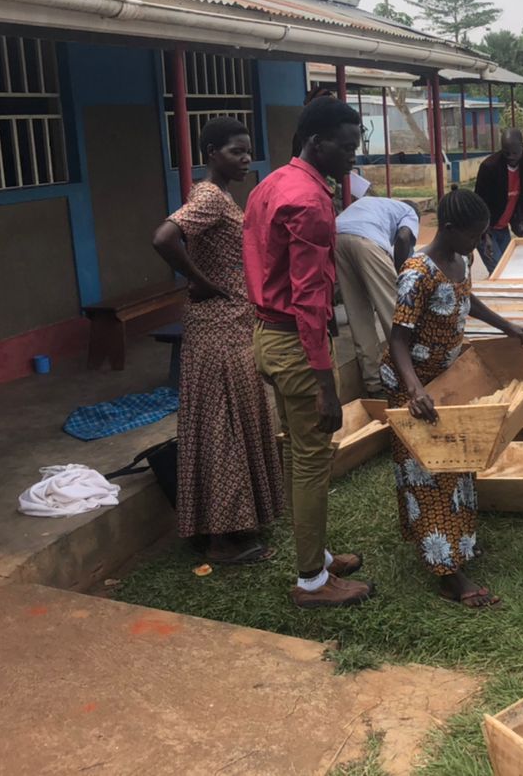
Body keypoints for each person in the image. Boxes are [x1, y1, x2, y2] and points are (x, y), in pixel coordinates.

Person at [243, 96, 372, 609]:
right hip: (296, 345)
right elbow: (308, 300)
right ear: (315, 143)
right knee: (313, 457)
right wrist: (325, 385)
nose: (352, 159)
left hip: (267, 337)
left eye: (355, 147)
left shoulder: (272, 183)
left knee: (300, 454)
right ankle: (311, 582)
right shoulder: (311, 203)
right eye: (345, 148)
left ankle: (316, 555)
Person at [381, 189, 523, 608]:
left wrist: (508, 327)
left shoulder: (459, 261)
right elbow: (397, 341)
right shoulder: (417, 273)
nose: (479, 245)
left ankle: (459, 541)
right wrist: (415, 391)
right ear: (448, 229)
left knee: (459, 461)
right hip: (415, 387)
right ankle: (447, 573)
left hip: (447, 379)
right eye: (474, 236)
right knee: (429, 473)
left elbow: (467, 299)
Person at [151, 117, 284, 565]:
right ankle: (222, 539)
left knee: (237, 419)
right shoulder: (209, 196)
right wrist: (202, 281)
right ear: (211, 152)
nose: (245, 158)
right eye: (235, 151)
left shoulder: (222, 195)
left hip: (235, 325)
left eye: (248, 151)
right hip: (218, 330)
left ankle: (238, 521)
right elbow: (164, 238)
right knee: (222, 426)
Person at [334, 194, 419, 396]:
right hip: (366, 240)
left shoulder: (377, 204)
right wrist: (399, 274)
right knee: (395, 314)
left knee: (358, 316)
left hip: (337, 239)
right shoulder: (409, 212)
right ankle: (412, 379)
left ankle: (373, 384)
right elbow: (403, 237)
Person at [473, 128, 523, 272]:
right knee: (498, 270)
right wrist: (484, 235)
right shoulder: (489, 167)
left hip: (509, 223)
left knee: (514, 265)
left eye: (515, 153)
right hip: (486, 225)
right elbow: (478, 204)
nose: (510, 157)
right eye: (506, 152)